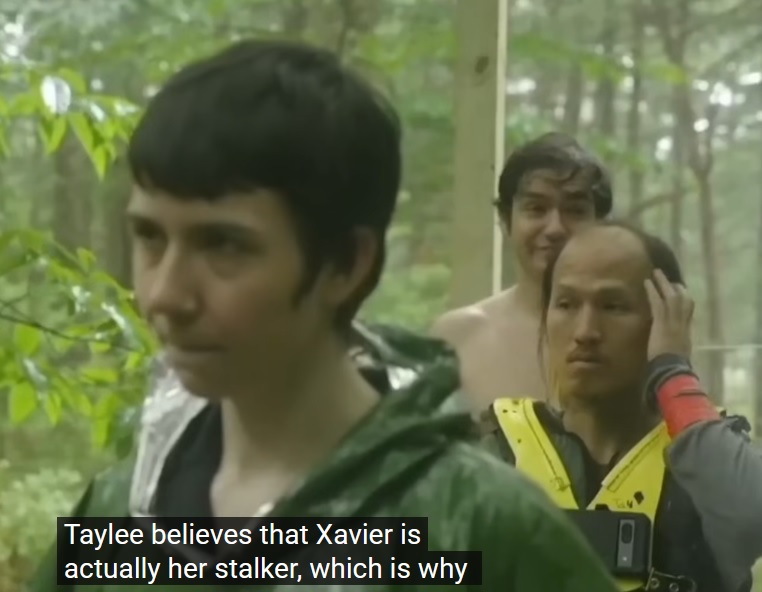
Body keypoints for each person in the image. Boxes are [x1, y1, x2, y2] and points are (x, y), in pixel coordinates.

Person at [30, 40, 619, 592]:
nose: (164, 295)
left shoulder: (477, 530)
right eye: (149, 237)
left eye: (224, 246)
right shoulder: (118, 518)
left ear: (346, 263)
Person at [480, 221, 762, 591]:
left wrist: (673, 372)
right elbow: (408, 562)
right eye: (566, 304)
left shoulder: (704, 461)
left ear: (665, 318)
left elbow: (752, 516)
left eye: (613, 306)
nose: (585, 331)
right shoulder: (496, 450)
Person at [431, 133, 612, 410]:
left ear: (601, 225)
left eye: (575, 210)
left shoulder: (634, 337)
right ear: (506, 220)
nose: (555, 228)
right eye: (536, 209)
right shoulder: (457, 338)